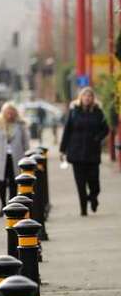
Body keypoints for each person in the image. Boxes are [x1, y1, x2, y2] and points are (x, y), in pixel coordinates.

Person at [60, 86, 110, 216]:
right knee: (80, 184)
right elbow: (67, 131)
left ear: (93, 99)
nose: (87, 98)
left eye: (90, 96)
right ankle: (83, 209)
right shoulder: (73, 112)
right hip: (76, 153)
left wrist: (98, 138)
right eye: (85, 96)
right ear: (80, 98)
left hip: (93, 153)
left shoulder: (98, 112)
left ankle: (93, 198)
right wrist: (62, 150)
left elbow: (106, 129)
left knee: (95, 183)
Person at [0, 102, 30, 213]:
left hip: (16, 158)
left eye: (11, 113)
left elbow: (25, 142)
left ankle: (12, 204)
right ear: (3, 113)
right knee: (1, 183)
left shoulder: (20, 124)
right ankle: (3, 204)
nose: (9, 115)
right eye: (7, 113)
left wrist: (28, 155)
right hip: (1, 158)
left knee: (14, 181)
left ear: (15, 113)